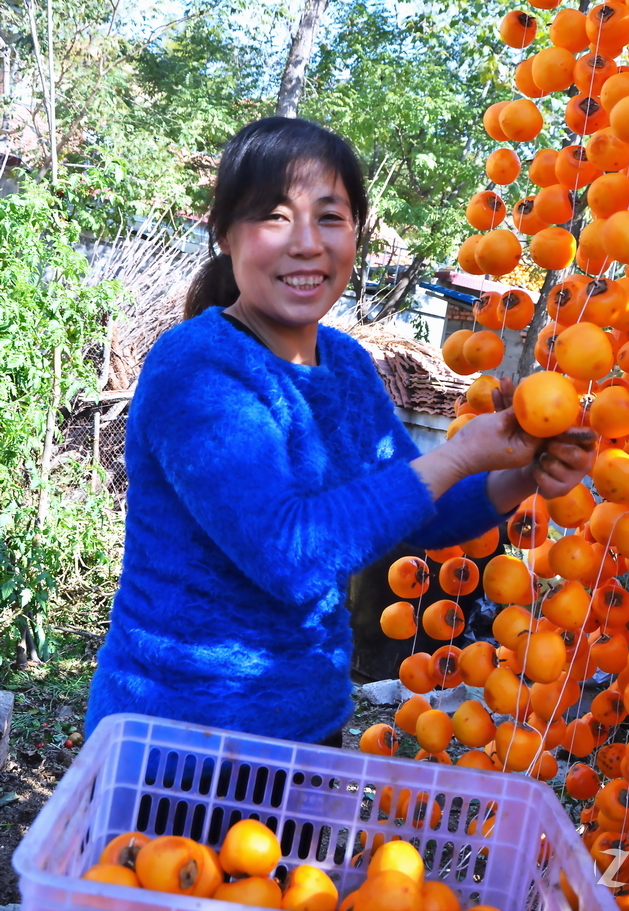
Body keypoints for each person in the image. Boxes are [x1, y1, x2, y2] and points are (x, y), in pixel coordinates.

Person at [85, 116, 596, 745]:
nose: (307, 244)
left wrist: (522, 473)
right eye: (274, 216)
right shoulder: (198, 368)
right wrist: (458, 456)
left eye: (330, 217)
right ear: (224, 234)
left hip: (309, 727)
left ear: (356, 232)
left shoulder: (346, 364)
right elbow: (288, 556)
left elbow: (420, 511)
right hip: (178, 739)